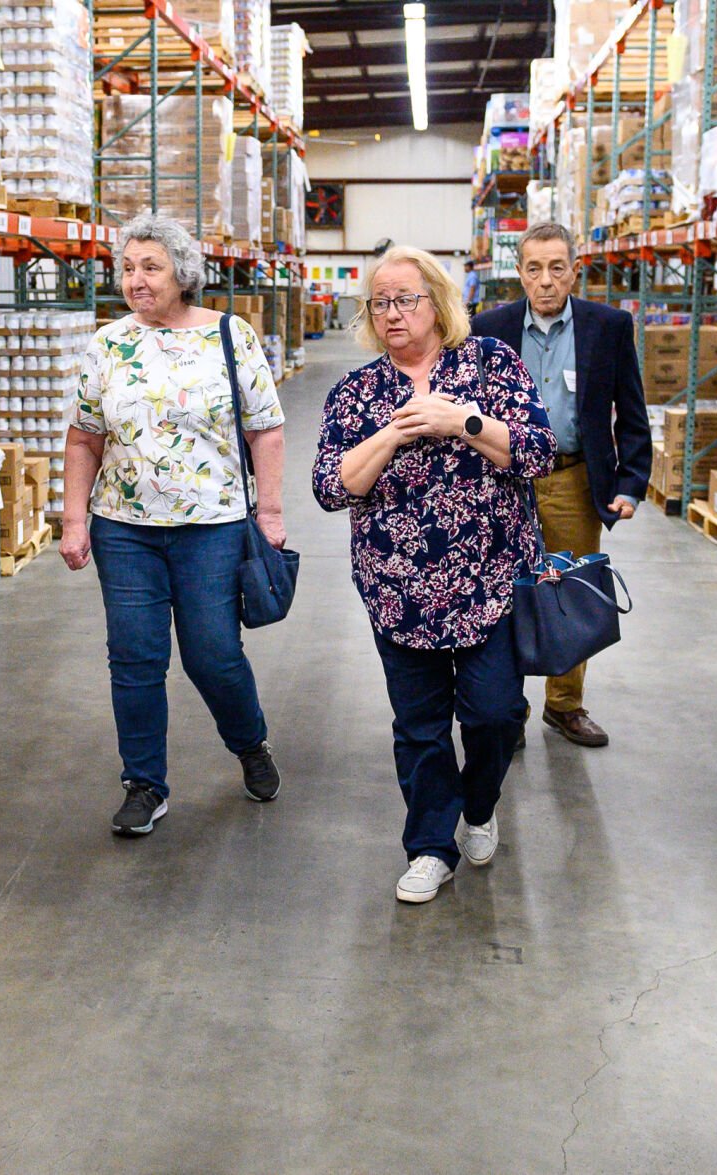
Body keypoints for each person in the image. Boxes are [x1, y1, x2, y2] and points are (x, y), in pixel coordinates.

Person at [313, 246, 557, 904]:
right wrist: (391, 435)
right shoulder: (358, 391)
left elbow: (538, 450)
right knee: (419, 725)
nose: (391, 313)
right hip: (398, 590)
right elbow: (330, 488)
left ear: (438, 302)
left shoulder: (490, 364)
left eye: (405, 299)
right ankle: (429, 846)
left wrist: (462, 421)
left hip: (490, 581)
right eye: (379, 303)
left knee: (495, 714)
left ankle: (478, 805)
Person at [60, 213, 287, 837]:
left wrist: (269, 511)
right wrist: (74, 519)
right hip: (124, 527)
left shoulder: (229, 335)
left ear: (182, 274)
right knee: (134, 658)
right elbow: (84, 437)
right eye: (128, 268)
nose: (136, 279)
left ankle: (250, 743)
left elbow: (265, 429)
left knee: (213, 655)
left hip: (213, 526)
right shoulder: (108, 344)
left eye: (151, 267)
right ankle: (144, 784)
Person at [470, 222, 651, 749]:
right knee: (505, 592)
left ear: (575, 271)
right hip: (506, 481)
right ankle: (510, 707)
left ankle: (565, 704)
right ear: (520, 273)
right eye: (534, 269)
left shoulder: (608, 326)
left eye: (556, 268)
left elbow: (632, 412)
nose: (545, 280)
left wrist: (631, 482)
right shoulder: (489, 328)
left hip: (574, 478)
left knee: (571, 591)